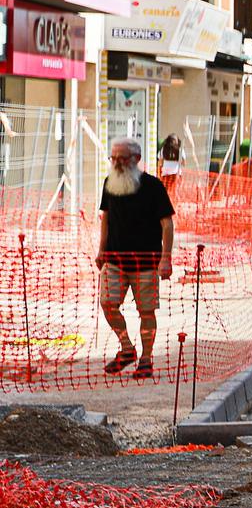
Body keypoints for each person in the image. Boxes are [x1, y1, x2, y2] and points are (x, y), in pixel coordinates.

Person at [98, 136, 174, 379]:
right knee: (108, 304)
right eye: (114, 158)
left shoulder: (153, 186)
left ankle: (146, 359)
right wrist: (101, 250)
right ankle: (127, 349)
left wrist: (166, 258)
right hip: (115, 260)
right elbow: (106, 218)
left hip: (147, 262)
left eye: (123, 158)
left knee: (147, 312)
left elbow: (167, 224)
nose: (117, 163)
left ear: (137, 159)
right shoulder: (109, 183)